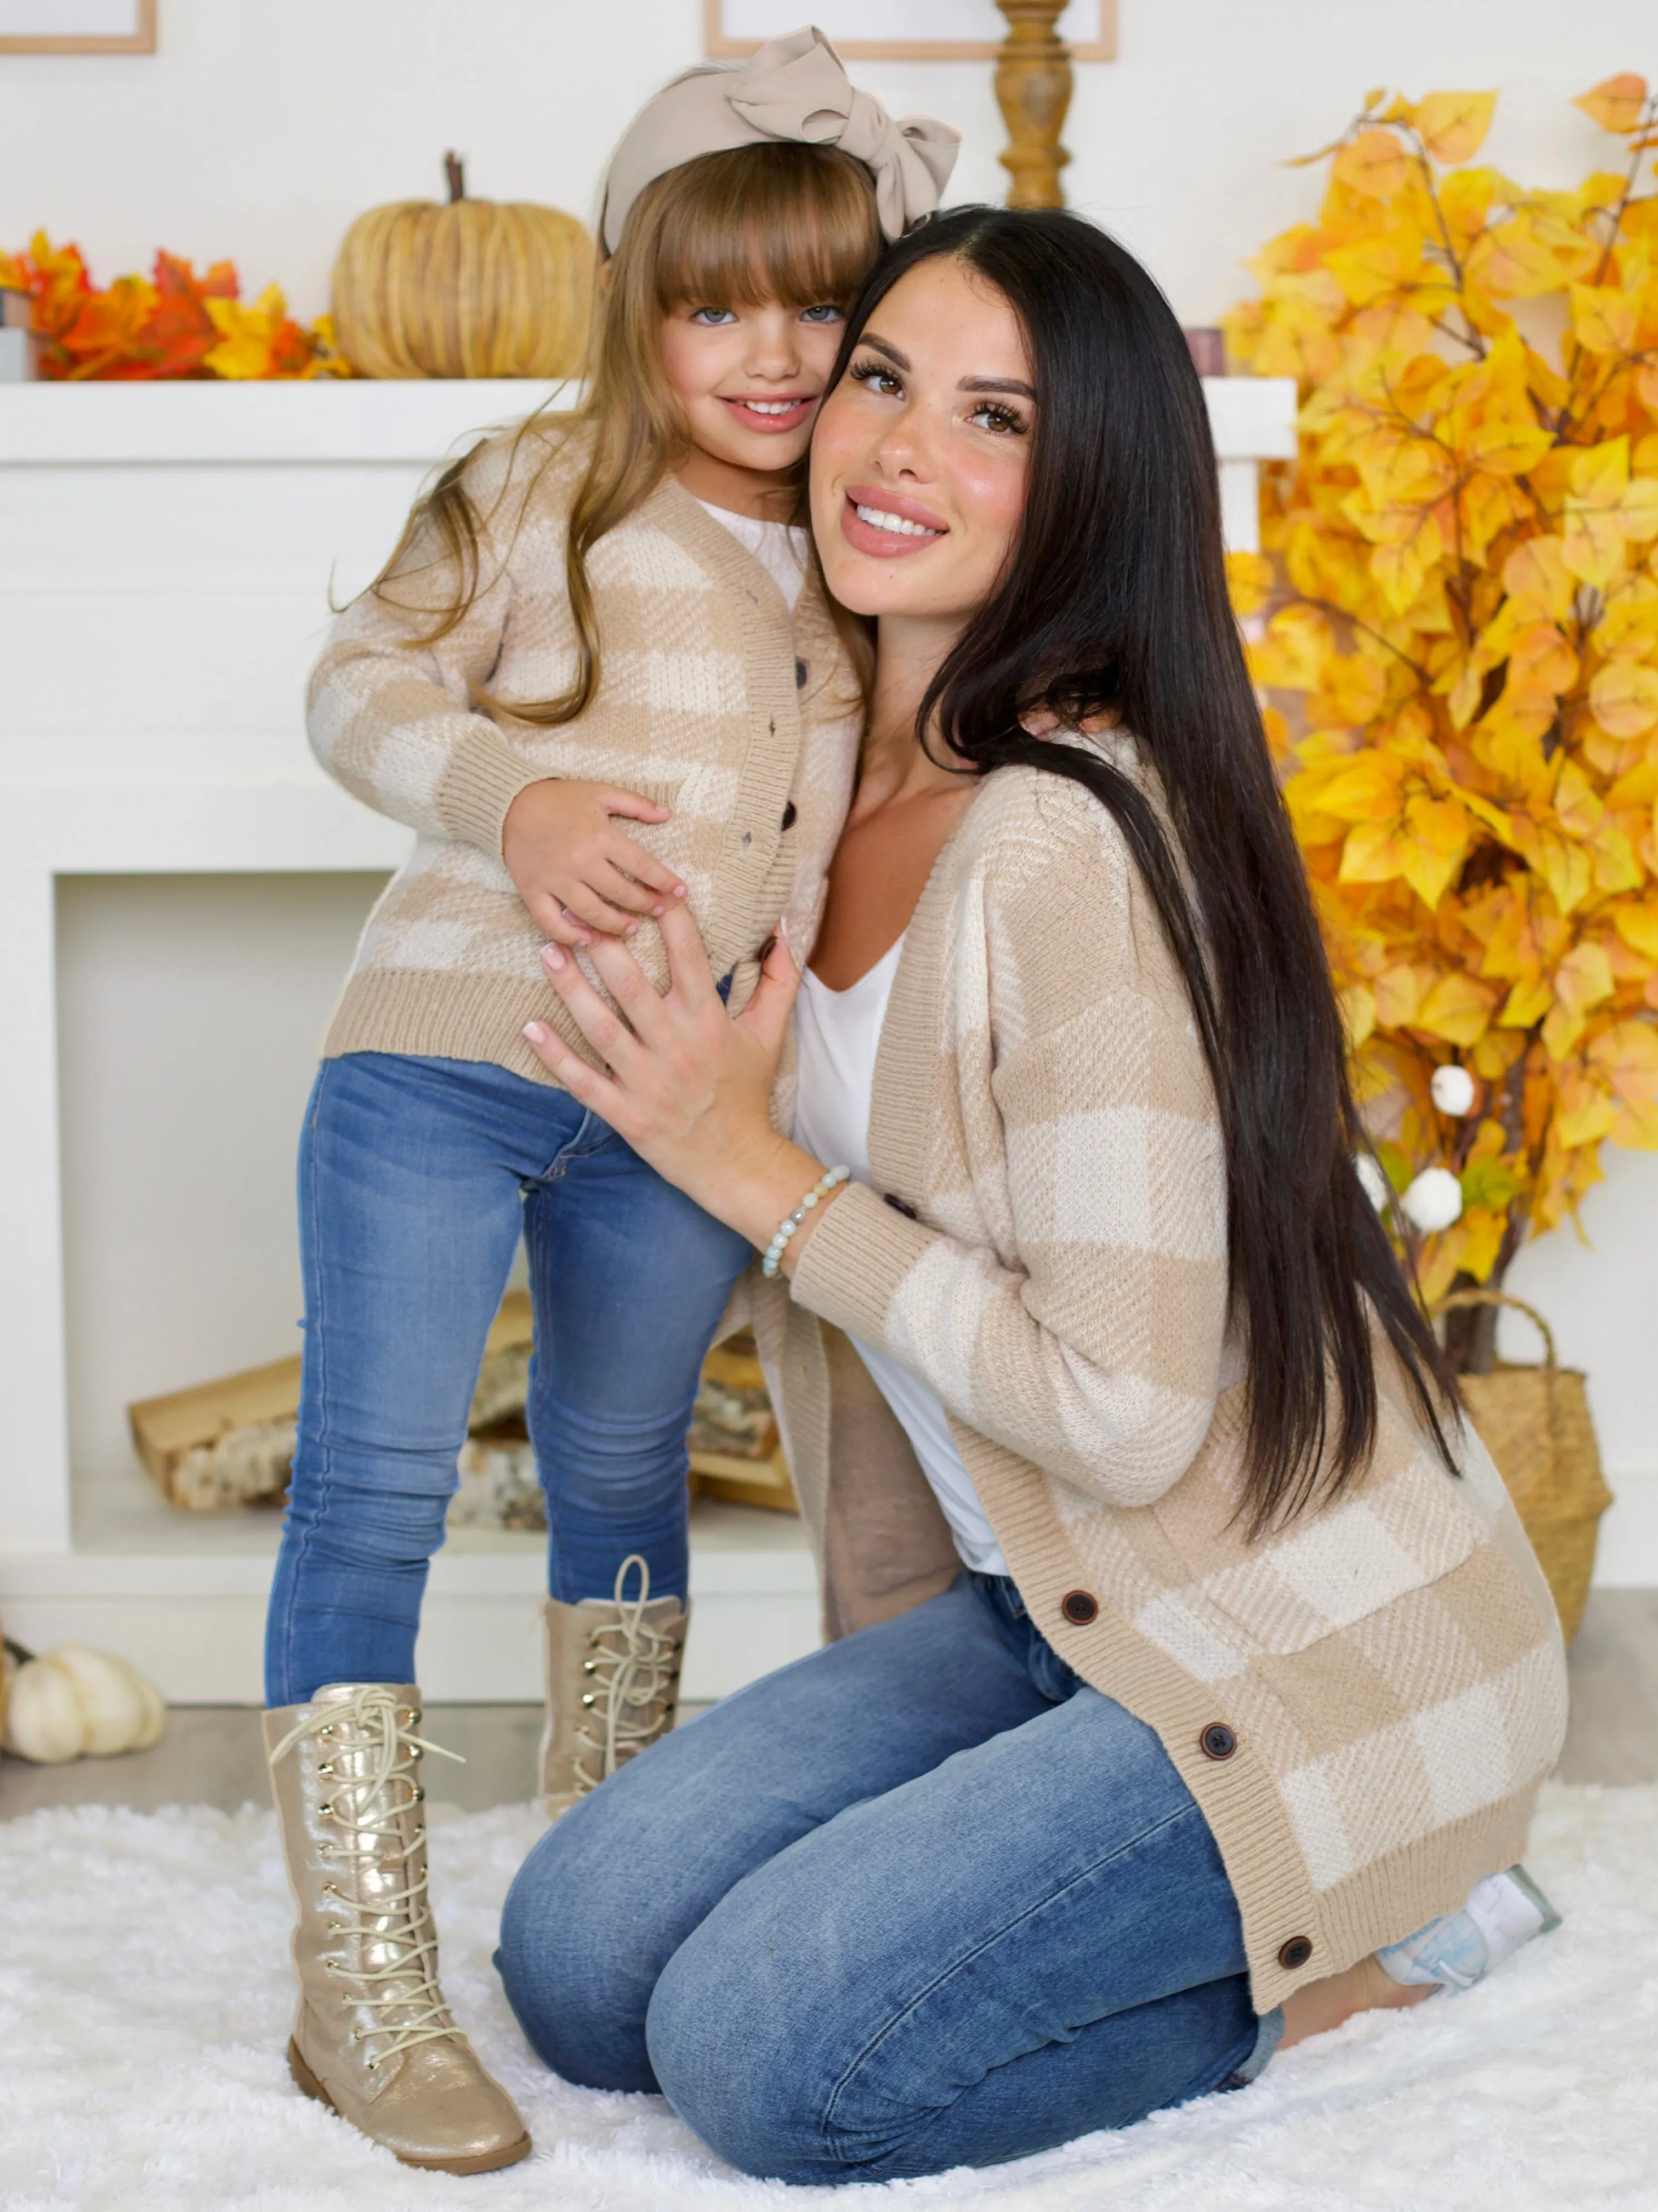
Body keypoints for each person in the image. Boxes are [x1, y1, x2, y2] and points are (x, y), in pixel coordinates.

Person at [495, 205, 1570, 2184]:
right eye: (884, 379)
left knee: (768, 2060)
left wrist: (755, 1172)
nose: (901, 452)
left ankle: (1386, 1937)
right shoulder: (828, 770)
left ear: (1091, 486)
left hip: (1287, 1643)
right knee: (577, 1960)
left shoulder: (1060, 842)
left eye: (996, 418)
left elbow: (1127, 1407)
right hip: (1041, 1607)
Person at [259, 31, 959, 2174]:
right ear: (637, 299)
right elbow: (355, 682)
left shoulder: (868, 559)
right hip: (445, 1062)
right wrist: (521, 791)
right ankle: (358, 1984)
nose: (772, 351)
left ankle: (594, 1903)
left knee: (623, 1475)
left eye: (823, 305)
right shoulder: (539, 486)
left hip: (668, 1113)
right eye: (714, 300)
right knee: (375, 1482)